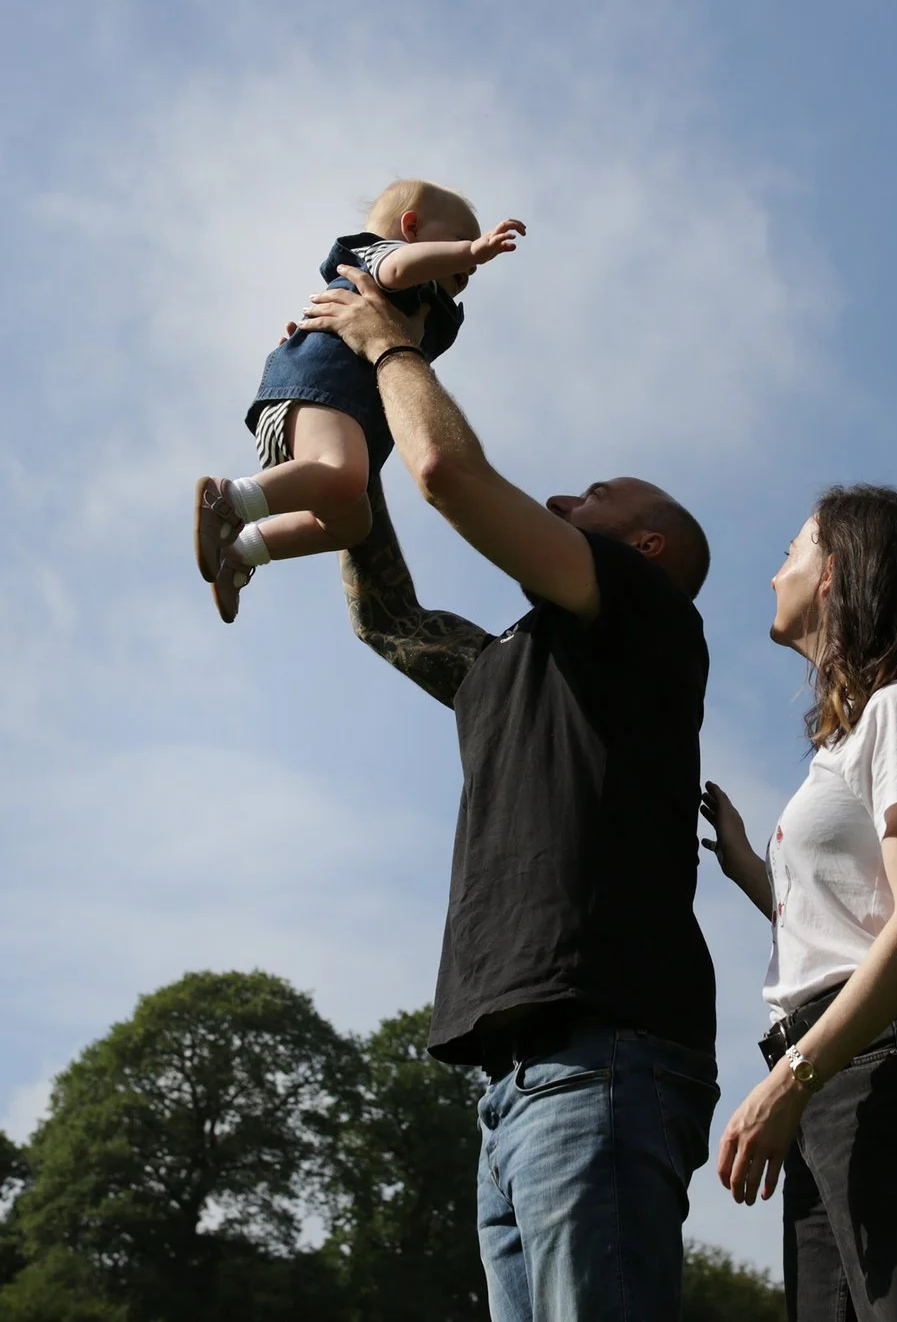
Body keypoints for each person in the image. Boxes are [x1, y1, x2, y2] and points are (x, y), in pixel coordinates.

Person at [300, 264, 720, 1322]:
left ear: (645, 543)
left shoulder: (645, 616)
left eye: (596, 498)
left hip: (603, 1062)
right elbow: (386, 616)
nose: (564, 500)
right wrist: (355, 429)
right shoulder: (505, 666)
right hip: (512, 1089)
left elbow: (450, 471)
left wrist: (389, 342)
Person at [700, 485, 897, 1321]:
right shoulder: (852, 735)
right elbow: (852, 923)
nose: (774, 575)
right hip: (835, 1078)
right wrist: (749, 872)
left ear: (835, 573)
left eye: (791, 551)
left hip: (887, 1069)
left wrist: (791, 1080)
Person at [192, 178, 525, 622]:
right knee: (345, 475)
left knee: (352, 524)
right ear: (411, 228)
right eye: (460, 237)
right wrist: (471, 251)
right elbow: (401, 268)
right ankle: (228, 500)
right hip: (321, 386)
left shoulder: (430, 304)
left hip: (342, 409)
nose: (473, 260)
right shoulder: (378, 257)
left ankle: (243, 551)